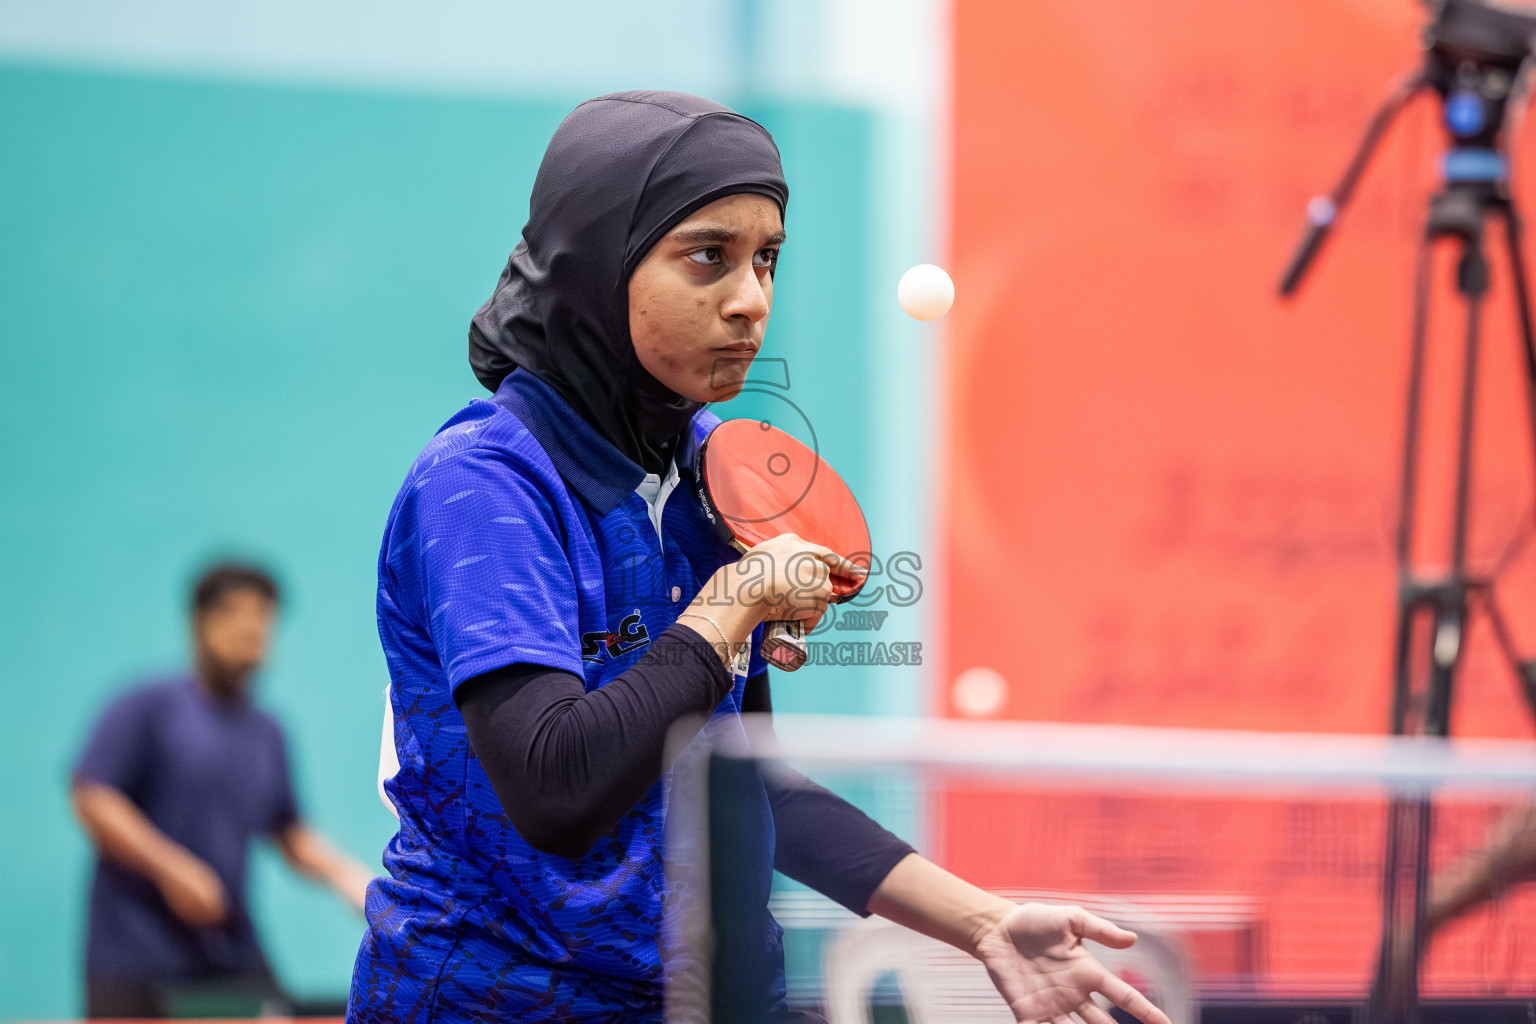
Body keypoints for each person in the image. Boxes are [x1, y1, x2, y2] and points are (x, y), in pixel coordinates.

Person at [349, 90, 1172, 1024]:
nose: (751, 300)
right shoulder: (484, 485)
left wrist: (983, 923)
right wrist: (730, 606)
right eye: (708, 257)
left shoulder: (710, 476)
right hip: (492, 1002)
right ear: (597, 263)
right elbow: (557, 787)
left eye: (767, 259)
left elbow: (737, 778)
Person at [72, 563, 376, 1018]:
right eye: (235, 613)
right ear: (199, 621)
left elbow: (288, 831)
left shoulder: (266, 730)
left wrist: (349, 877)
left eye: (264, 616)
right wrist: (170, 867)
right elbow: (94, 798)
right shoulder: (148, 707)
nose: (252, 628)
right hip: (137, 956)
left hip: (227, 951)